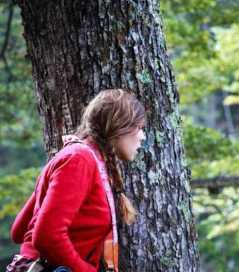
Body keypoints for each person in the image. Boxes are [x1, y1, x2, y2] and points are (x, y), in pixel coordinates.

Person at [6, 89, 146, 272]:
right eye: (140, 128)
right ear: (120, 126)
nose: (143, 137)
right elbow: (46, 236)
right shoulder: (80, 159)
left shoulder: (82, 158)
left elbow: (20, 231)